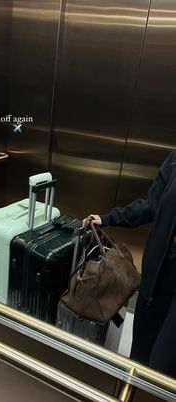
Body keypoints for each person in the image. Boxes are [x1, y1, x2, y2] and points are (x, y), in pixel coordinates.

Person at [85, 149, 176, 378]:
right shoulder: (175, 159)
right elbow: (152, 205)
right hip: (157, 276)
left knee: (162, 366)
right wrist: (108, 218)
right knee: (139, 358)